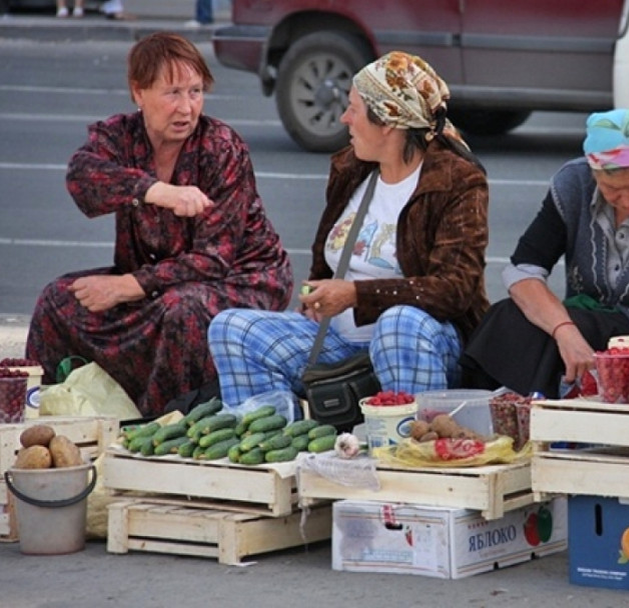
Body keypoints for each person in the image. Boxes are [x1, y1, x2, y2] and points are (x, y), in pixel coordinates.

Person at [25, 32, 293, 418]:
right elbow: (82, 176)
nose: (186, 108)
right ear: (139, 93)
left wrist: (127, 286)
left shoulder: (221, 147)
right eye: (172, 93)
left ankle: (161, 426)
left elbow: (213, 260)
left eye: (196, 91)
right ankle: (44, 417)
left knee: (180, 309)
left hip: (242, 279)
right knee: (59, 299)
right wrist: (155, 191)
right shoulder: (120, 135)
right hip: (157, 278)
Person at [208, 51, 489, 411]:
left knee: (398, 324)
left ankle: (408, 448)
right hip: (339, 342)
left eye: (353, 109)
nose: (344, 118)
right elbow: (327, 258)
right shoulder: (351, 168)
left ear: (387, 120)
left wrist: (356, 294)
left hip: (420, 343)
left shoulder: (457, 180)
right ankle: (281, 445)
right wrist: (317, 295)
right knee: (231, 329)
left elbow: (455, 289)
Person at [460, 109, 629, 398]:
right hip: (584, 319)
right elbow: (524, 270)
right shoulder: (573, 183)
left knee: (552, 339)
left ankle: (541, 413)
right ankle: (484, 413)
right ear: (593, 174)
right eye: (612, 189)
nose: (628, 200)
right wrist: (564, 331)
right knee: (507, 316)